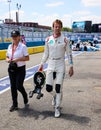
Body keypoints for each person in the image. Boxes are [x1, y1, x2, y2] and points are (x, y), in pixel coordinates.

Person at [38, 19, 74, 118]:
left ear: (61, 27)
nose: (57, 28)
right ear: (53, 27)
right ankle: (54, 96)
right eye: (55, 26)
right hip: (50, 63)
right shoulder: (48, 39)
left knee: (58, 87)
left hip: (60, 64)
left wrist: (71, 66)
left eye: (58, 26)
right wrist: (41, 64)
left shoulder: (66, 40)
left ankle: (57, 107)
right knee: (48, 88)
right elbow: (46, 53)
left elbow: (69, 54)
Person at [6, 30, 29, 112]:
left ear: (19, 37)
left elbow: (27, 58)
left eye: (15, 36)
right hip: (12, 68)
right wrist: (8, 60)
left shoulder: (23, 46)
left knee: (18, 85)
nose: (14, 38)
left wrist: (18, 59)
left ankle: (24, 95)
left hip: (20, 69)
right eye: (13, 36)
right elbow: (6, 57)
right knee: (13, 87)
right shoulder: (9, 46)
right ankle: (14, 104)